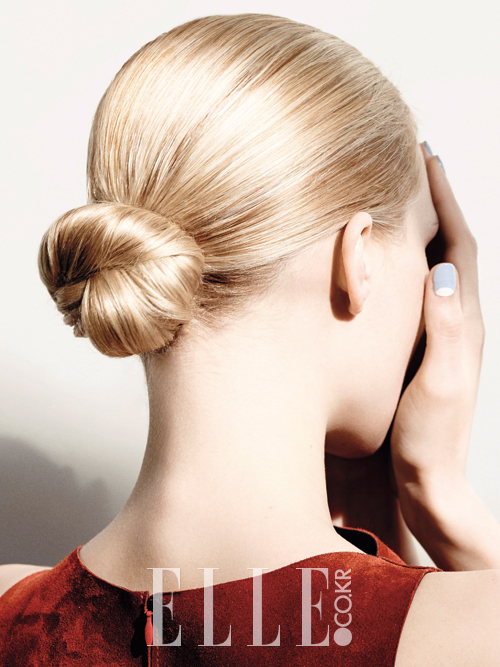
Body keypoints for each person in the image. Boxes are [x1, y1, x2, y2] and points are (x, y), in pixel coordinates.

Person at [0, 12, 498, 666]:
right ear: (359, 259)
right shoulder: (473, 627)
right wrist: (443, 499)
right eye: (427, 244)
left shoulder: (10, 607)